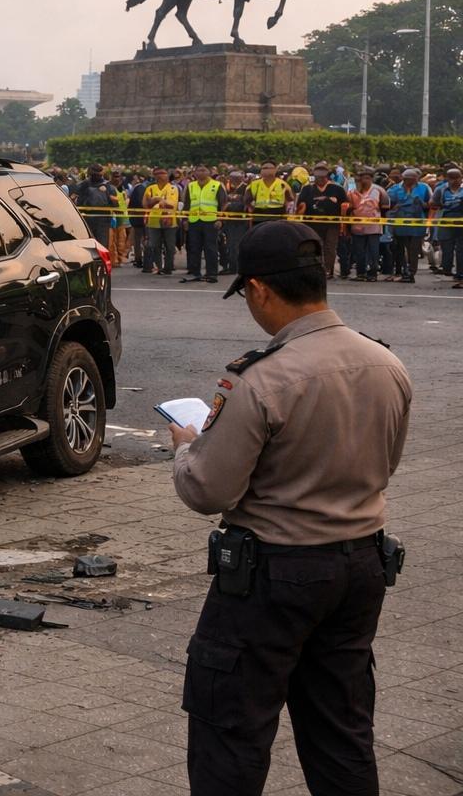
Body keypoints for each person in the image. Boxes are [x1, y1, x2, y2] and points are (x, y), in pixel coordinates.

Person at [167, 221, 410, 796]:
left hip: (271, 576)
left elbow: (209, 491)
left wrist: (185, 450)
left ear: (259, 290)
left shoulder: (260, 378)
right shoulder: (385, 364)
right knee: (342, 732)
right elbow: (386, 463)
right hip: (360, 567)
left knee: (232, 730)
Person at [295, 162, 348, 279]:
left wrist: (343, 225)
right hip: (311, 224)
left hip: (332, 224)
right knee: (314, 247)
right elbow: (300, 206)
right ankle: (314, 269)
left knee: (330, 247)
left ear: (327, 175)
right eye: (318, 177)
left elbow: (345, 205)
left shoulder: (337, 189)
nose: (320, 179)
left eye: (322, 176)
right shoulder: (307, 189)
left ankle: (328, 270)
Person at [384, 168, 430, 284]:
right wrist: (394, 207)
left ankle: (411, 272)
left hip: (417, 223)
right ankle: (403, 270)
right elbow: (388, 204)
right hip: (400, 223)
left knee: (413, 249)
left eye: (414, 180)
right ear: (403, 179)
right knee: (400, 248)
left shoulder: (424, 188)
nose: (412, 182)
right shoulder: (394, 189)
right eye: (409, 180)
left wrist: (423, 204)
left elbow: (430, 203)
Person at [182, 164, 225, 283]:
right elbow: (187, 204)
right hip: (194, 221)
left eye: (203, 170)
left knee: (211, 248)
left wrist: (220, 219)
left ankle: (212, 274)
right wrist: (185, 220)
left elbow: (223, 204)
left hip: (211, 221)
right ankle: (196, 273)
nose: (201, 172)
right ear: (194, 173)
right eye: (198, 170)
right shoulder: (190, 186)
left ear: (209, 172)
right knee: (194, 248)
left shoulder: (217, 185)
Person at [345, 168, 387, 283]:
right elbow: (347, 208)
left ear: (372, 179)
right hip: (357, 226)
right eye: (363, 178)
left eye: (368, 178)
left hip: (374, 226)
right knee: (359, 251)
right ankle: (361, 273)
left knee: (374, 251)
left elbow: (385, 207)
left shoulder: (379, 190)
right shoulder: (352, 192)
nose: (365, 180)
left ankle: (373, 273)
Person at [429, 166, 463, 286]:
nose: (455, 180)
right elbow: (432, 203)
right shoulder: (441, 189)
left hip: (461, 223)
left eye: (457, 177)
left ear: (461, 177)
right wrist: (441, 204)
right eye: (452, 178)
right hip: (445, 221)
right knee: (447, 248)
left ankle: (460, 273)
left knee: (461, 250)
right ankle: (447, 269)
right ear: (447, 179)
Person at [142, 167, 179, 275]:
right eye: (157, 174)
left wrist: (156, 200)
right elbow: (145, 204)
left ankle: (168, 267)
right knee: (154, 246)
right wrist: (158, 200)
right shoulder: (150, 188)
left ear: (167, 175)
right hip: (153, 221)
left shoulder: (173, 188)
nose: (160, 175)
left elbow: (173, 204)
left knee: (170, 246)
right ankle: (159, 267)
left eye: (163, 173)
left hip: (169, 221)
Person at [72, 164, 118, 244]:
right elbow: (115, 205)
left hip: (90, 219)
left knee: (90, 244)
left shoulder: (83, 185)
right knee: (102, 245)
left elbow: (74, 200)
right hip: (101, 220)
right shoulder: (108, 186)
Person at [220, 169, 251, 275]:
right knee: (228, 245)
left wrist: (230, 205)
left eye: (237, 177)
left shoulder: (246, 188)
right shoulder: (227, 188)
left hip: (240, 222)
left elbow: (246, 205)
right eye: (232, 177)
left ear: (241, 178)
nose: (234, 179)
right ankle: (229, 266)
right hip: (228, 221)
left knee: (235, 245)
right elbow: (223, 203)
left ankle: (235, 268)